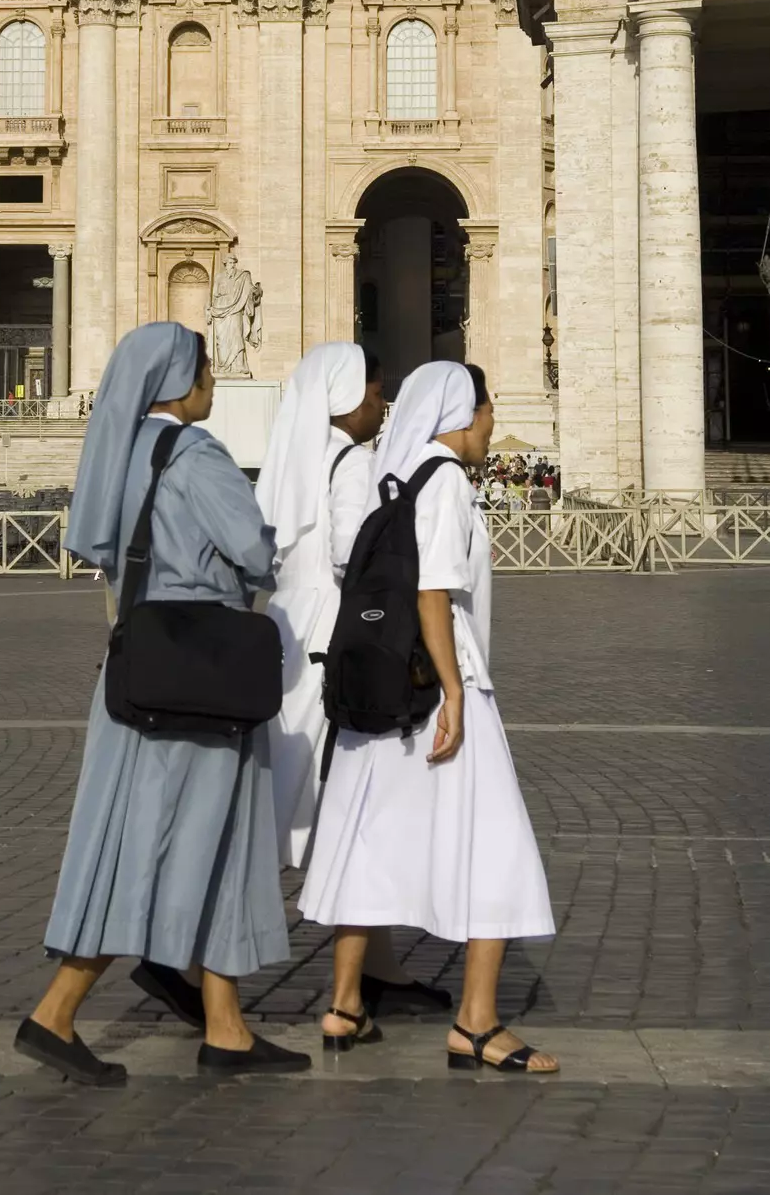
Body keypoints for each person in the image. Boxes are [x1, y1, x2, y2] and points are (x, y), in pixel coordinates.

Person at [17, 321, 307, 1086]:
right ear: (181, 381)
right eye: (206, 370)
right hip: (199, 674)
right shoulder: (196, 455)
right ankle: (55, 1012)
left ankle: (226, 1026)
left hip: (139, 669)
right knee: (166, 839)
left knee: (188, 836)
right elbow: (250, 549)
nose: (212, 382)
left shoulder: (124, 456)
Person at [300, 362, 558, 1072]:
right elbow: (432, 594)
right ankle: (475, 1022)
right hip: (440, 684)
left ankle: (344, 1004)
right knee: (493, 841)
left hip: (381, 690)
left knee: (368, 838)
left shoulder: (390, 477)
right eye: (485, 410)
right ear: (456, 411)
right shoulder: (442, 479)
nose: (489, 425)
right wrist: (450, 691)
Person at [259, 344, 451, 1019]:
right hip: (335, 640)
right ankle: (200, 961)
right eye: (373, 392)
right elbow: (351, 554)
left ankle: (377, 961)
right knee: (330, 796)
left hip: (292, 628)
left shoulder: (302, 457)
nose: (379, 404)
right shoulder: (352, 461)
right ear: (346, 398)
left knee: (316, 791)